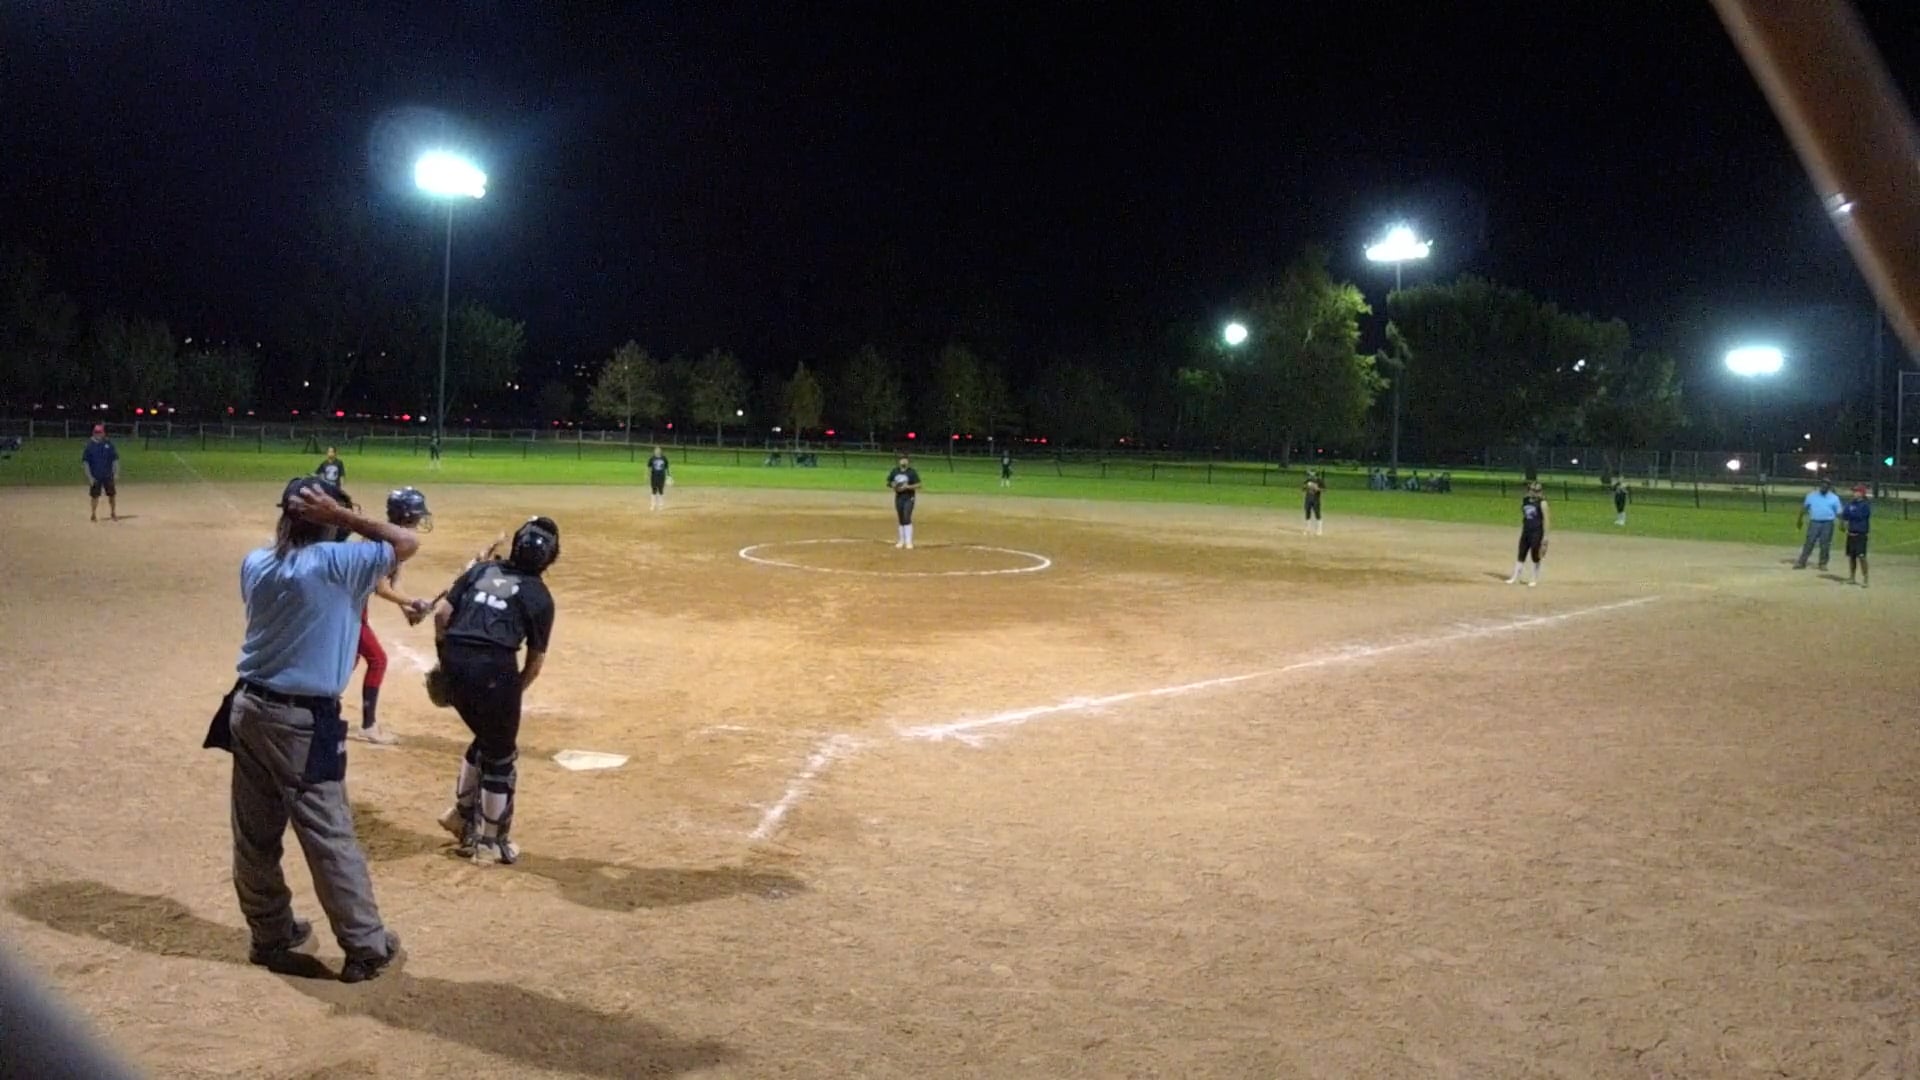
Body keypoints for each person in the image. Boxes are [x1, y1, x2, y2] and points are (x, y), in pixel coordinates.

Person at [207, 476, 416, 982]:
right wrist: (341, 515)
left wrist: (325, 516)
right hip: (300, 721)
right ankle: (366, 946)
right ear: (326, 520)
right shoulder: (337, 562)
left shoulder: (256, 562)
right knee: (329, 834)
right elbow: (405, 541)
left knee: (254, 836)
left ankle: (270, 934)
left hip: (248, 709)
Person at [430, 517, 559, 865]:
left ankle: (460, 816)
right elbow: (534, 663)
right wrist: (510, 694)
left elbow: (441, 616)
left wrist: (445, 660)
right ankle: (489, 843)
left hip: (455, 660)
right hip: (494, 670)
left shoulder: (481, 570)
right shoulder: (540, 596)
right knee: (501, 754)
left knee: (487, 737)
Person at [350, 487, 435, 746]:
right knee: (377, 660)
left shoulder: (397, 541)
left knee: (348, 661)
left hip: (354, 606)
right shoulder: (380, 543)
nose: (420, 519)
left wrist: (408, 611)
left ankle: (319, 708)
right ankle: (368, 726)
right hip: (345, 607)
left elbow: (394, 584)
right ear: (407, 515)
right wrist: (414, 602)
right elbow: (381, 588)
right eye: (417, 514)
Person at [1794, 478, 1843, 571]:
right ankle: (1802, 562)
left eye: (1827, 485)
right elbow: (1804, 508)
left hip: (1828, 523)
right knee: (1809, 542)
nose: (1824, 486)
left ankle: (1823, 563)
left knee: (1825, 544)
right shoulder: (1811, 496)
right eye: (1823, 484)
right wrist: (1799, 520)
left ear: (1829, 487)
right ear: (1820, 485)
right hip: (1814, 522)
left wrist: (1842, 523)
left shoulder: (1834, 498)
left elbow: (1839, 512)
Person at [1507, 481, 1550, 587]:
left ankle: (1534, 578)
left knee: (1535, 554)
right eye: (1533, 490)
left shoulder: (1542, 503)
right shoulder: (1525, 500)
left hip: (1537, 531)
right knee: (1521, 552)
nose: (1535, 492)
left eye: (1537, 491)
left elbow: (1546, 520)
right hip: (1526, 530)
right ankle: (1515, 577)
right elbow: (1525, 514)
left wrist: (1545, 537)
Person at [82, 425, 119, 522]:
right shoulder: (89, 446)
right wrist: (89, 477)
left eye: (100, 432)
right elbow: (86, 463)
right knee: (95, 496)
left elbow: (115, 460)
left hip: (108, 475)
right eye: (96, 432)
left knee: (112, 495)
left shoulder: (108, 444)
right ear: (93, 433)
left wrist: (115, 473)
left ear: (103, 433)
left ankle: (113, 512)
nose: (98, 434)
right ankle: (93, 514)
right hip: (96, 476)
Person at [886, 454, 921, 549]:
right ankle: (901, 540)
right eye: (902, 460)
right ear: (899, 461)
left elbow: (918, 485)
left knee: (906, 516)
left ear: (908, 462)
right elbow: (889, 482)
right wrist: (893, 485)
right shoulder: (895, 471)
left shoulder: (911, 472)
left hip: (909, 497)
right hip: (899, 497)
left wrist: (907, 487)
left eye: (905, 460)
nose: (903, 461)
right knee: (901, 518)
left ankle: (909, 541)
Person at [1841, 484, 1872, 587]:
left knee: (1861, 556)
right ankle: (1852, 577)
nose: (1854, 493)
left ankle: (1865, 578)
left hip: (1860, 534)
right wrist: (1845, 521)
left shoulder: (1865, 505)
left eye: (1856, 491)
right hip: (1851, 533)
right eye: (1854, 491)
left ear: (1861, 493)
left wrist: (1851, 513)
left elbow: (1859, 516)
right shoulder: (1850, 504)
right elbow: (1845, 515)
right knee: (1852, 556)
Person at [647, 446, 670, 511]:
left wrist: (668, 475)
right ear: (654, 451)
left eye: (659, 450)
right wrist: (648, 475)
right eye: (656, 450)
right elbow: (649, 467)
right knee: (653, 490)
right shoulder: (652, 458)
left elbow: (667, 467)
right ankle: (653, 505)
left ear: (661, 451)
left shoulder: (664, 458)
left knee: (661, 490)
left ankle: (661, 505)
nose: (657, 451)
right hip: (654, 476)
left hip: (661, 476)